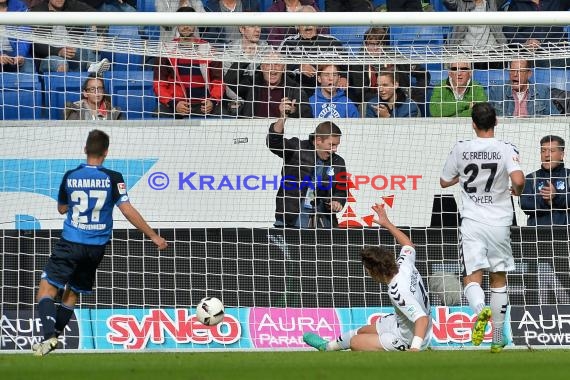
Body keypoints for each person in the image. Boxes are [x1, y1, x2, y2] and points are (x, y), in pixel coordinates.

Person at [32, 129, 168, 356]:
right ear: (106, 152)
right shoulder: (114, 178)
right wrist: (153, 235)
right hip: (96, 248)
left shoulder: (71, 175)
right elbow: (127, 209)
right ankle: (55, 335)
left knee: (46, 290)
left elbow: (62, 208)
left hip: (71, 242)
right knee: (72, 292)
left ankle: (48, 337)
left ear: (85, 150)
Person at [440, 102, 525, 353]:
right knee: (499, 277)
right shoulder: (505, 148)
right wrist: (516, 191)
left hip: (473, 222)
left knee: (471, 277)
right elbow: (519, 180)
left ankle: (480, 310)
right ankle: (498, 336)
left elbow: (444, 182)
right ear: (496, 122)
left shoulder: (461, 148)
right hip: (500, 222)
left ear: (473, 124)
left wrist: (462, 177)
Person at [303, 203, 432, 352]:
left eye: (367, 270)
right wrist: (387, 224)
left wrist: (415, 348)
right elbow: (409, 245)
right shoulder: (403, 264)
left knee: (356, 342)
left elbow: (422, 319)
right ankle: (327, 347)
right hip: (402, 323)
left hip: (410, 337)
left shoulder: (398, 291)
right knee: (362, 331)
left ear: (375, 271)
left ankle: (414, 348)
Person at [266, 114, 347, 228]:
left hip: (324, 222)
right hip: (292, 220)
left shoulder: (338, 162)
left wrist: (337, 201)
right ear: (318, 140)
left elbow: (341, 190)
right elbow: (274, 143)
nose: (334, 149)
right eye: (331, 145)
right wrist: (283, 116)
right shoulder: (297, 148)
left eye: (336, 145)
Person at [153, 6, 225, 118]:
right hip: (178, 103)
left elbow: (219, 82)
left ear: (195, 24)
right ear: (177, 25)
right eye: (182, 23)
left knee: (224, 114)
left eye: (189, 22)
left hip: (204, 105)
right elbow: (159, 84)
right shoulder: (166, 50)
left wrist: (213, 100)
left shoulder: (209, 49)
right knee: (159, 114)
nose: (186, 26)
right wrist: (173, 103)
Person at [348, 27, 430, 115]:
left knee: (413, 108)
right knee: (363, 108)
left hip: (400, 102)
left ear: (384, 44)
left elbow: (424, 74)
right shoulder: (358, 64)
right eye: (371, 44)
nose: (375, 48)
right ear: (365, 45)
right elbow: (361, 93)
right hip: (373, 104)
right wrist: (384, 102)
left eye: (378, 44)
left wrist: (415, 98)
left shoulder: (396, 58)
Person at [278, 5, 347, 98]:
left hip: (330, 91)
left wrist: (343, 77)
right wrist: (299, 66)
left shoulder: (332, 42)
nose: (307, 25)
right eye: (304, 21)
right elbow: (277, 65)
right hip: (299, 90)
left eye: (311, 20)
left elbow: (348, 65)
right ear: (297, 25)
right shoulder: (288, 43)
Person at [30, 0, 106, 73]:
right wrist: (59, 51)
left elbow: (100, 17)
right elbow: (36, 44)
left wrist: (100, 37)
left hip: (75, 54)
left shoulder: (73, 5)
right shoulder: (39, 11)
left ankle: (92, 66)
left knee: (91, 23)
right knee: (60, 63)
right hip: (52, 57)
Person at [238, 51, 312, 118]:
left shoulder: (294, 87)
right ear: (262, 68)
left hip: (283, 130)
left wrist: (294, 110)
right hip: (252, 130)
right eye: (268, 64)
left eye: (277, 64)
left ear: (284, 68)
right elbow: (230, 79)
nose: (273, 69)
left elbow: (307, 113)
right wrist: (245, 57)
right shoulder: (252, 84)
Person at [520, 135, 570, 226]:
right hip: (538, 235)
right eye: (543, 151)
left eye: (551, 151)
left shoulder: (568, 176)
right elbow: (525, 204)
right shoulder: (531, 178)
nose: (546, 154)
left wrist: (556, 197)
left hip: (565, 234)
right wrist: (547, 201)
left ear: (561, 155)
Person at [222, 25, 272, 115]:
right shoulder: (229, 51)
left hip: (260, 97)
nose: (258, 30)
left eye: (259, 26)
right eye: (253, 26)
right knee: (235, 110)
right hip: (236, 99)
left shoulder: (267, 50)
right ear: (242, 29)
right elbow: (229, 83)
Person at [488, 59, 560, 117]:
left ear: (528, 74)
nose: (515, 74)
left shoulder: (542, 91)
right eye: (512, 70)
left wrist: (528, 122)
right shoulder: (497, 90)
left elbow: (556, 119)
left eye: (520, 71)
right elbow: (486, 119)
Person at [0, 0, 35, 73]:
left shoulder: (19, 6)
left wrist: (20, 54)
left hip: (16, 53)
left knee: (28, 66)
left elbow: (25, 33)